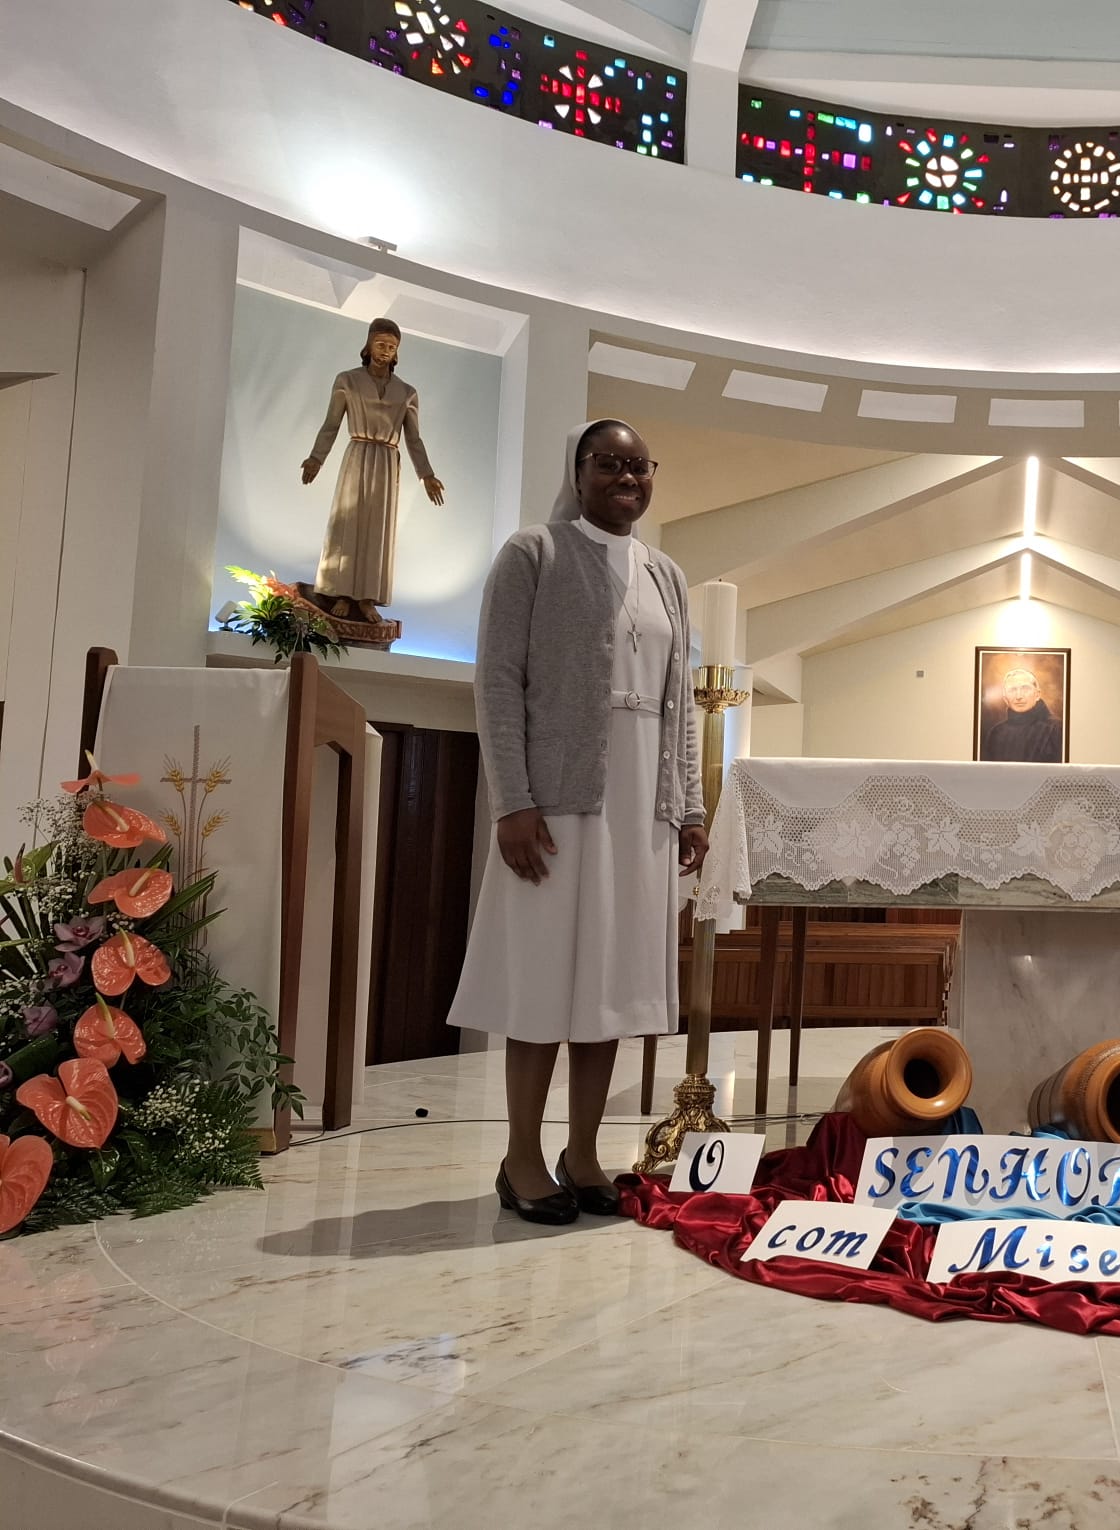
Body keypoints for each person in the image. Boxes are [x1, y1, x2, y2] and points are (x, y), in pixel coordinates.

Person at [447, 420, 708, 1225]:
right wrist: (511, 801)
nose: (626, 478)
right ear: (580, 471)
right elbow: (497, 682)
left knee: (613, 986)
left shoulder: (666, 574)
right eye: (610, 465)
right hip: (559, 800)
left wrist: (690, 804)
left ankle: (584, 1151)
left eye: (639, 466)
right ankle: (522, 1155)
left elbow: (681, 703)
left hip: (642, 808)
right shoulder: (536, 553)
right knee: (544, 979)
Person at [300, 317, 446, 624]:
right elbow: (332, 424)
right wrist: (316, 457)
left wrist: (426, 475)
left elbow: (413, 437)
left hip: (386, 460)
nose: (385, 351)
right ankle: (341, 592)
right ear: (368, 345)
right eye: (380, 344)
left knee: (378, 530)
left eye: (392, 347)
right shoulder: (348, 380)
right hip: (358, 453)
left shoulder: (406, 392)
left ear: (397, 353)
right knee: (348, 522)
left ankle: (366, 598)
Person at [982, 667, 1064, 761]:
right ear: (1005, 698)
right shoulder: (996, 733)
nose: (1019, 696)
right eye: (1012, 690)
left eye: (1025, 689)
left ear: (1037, 695)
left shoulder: (1056, 729)